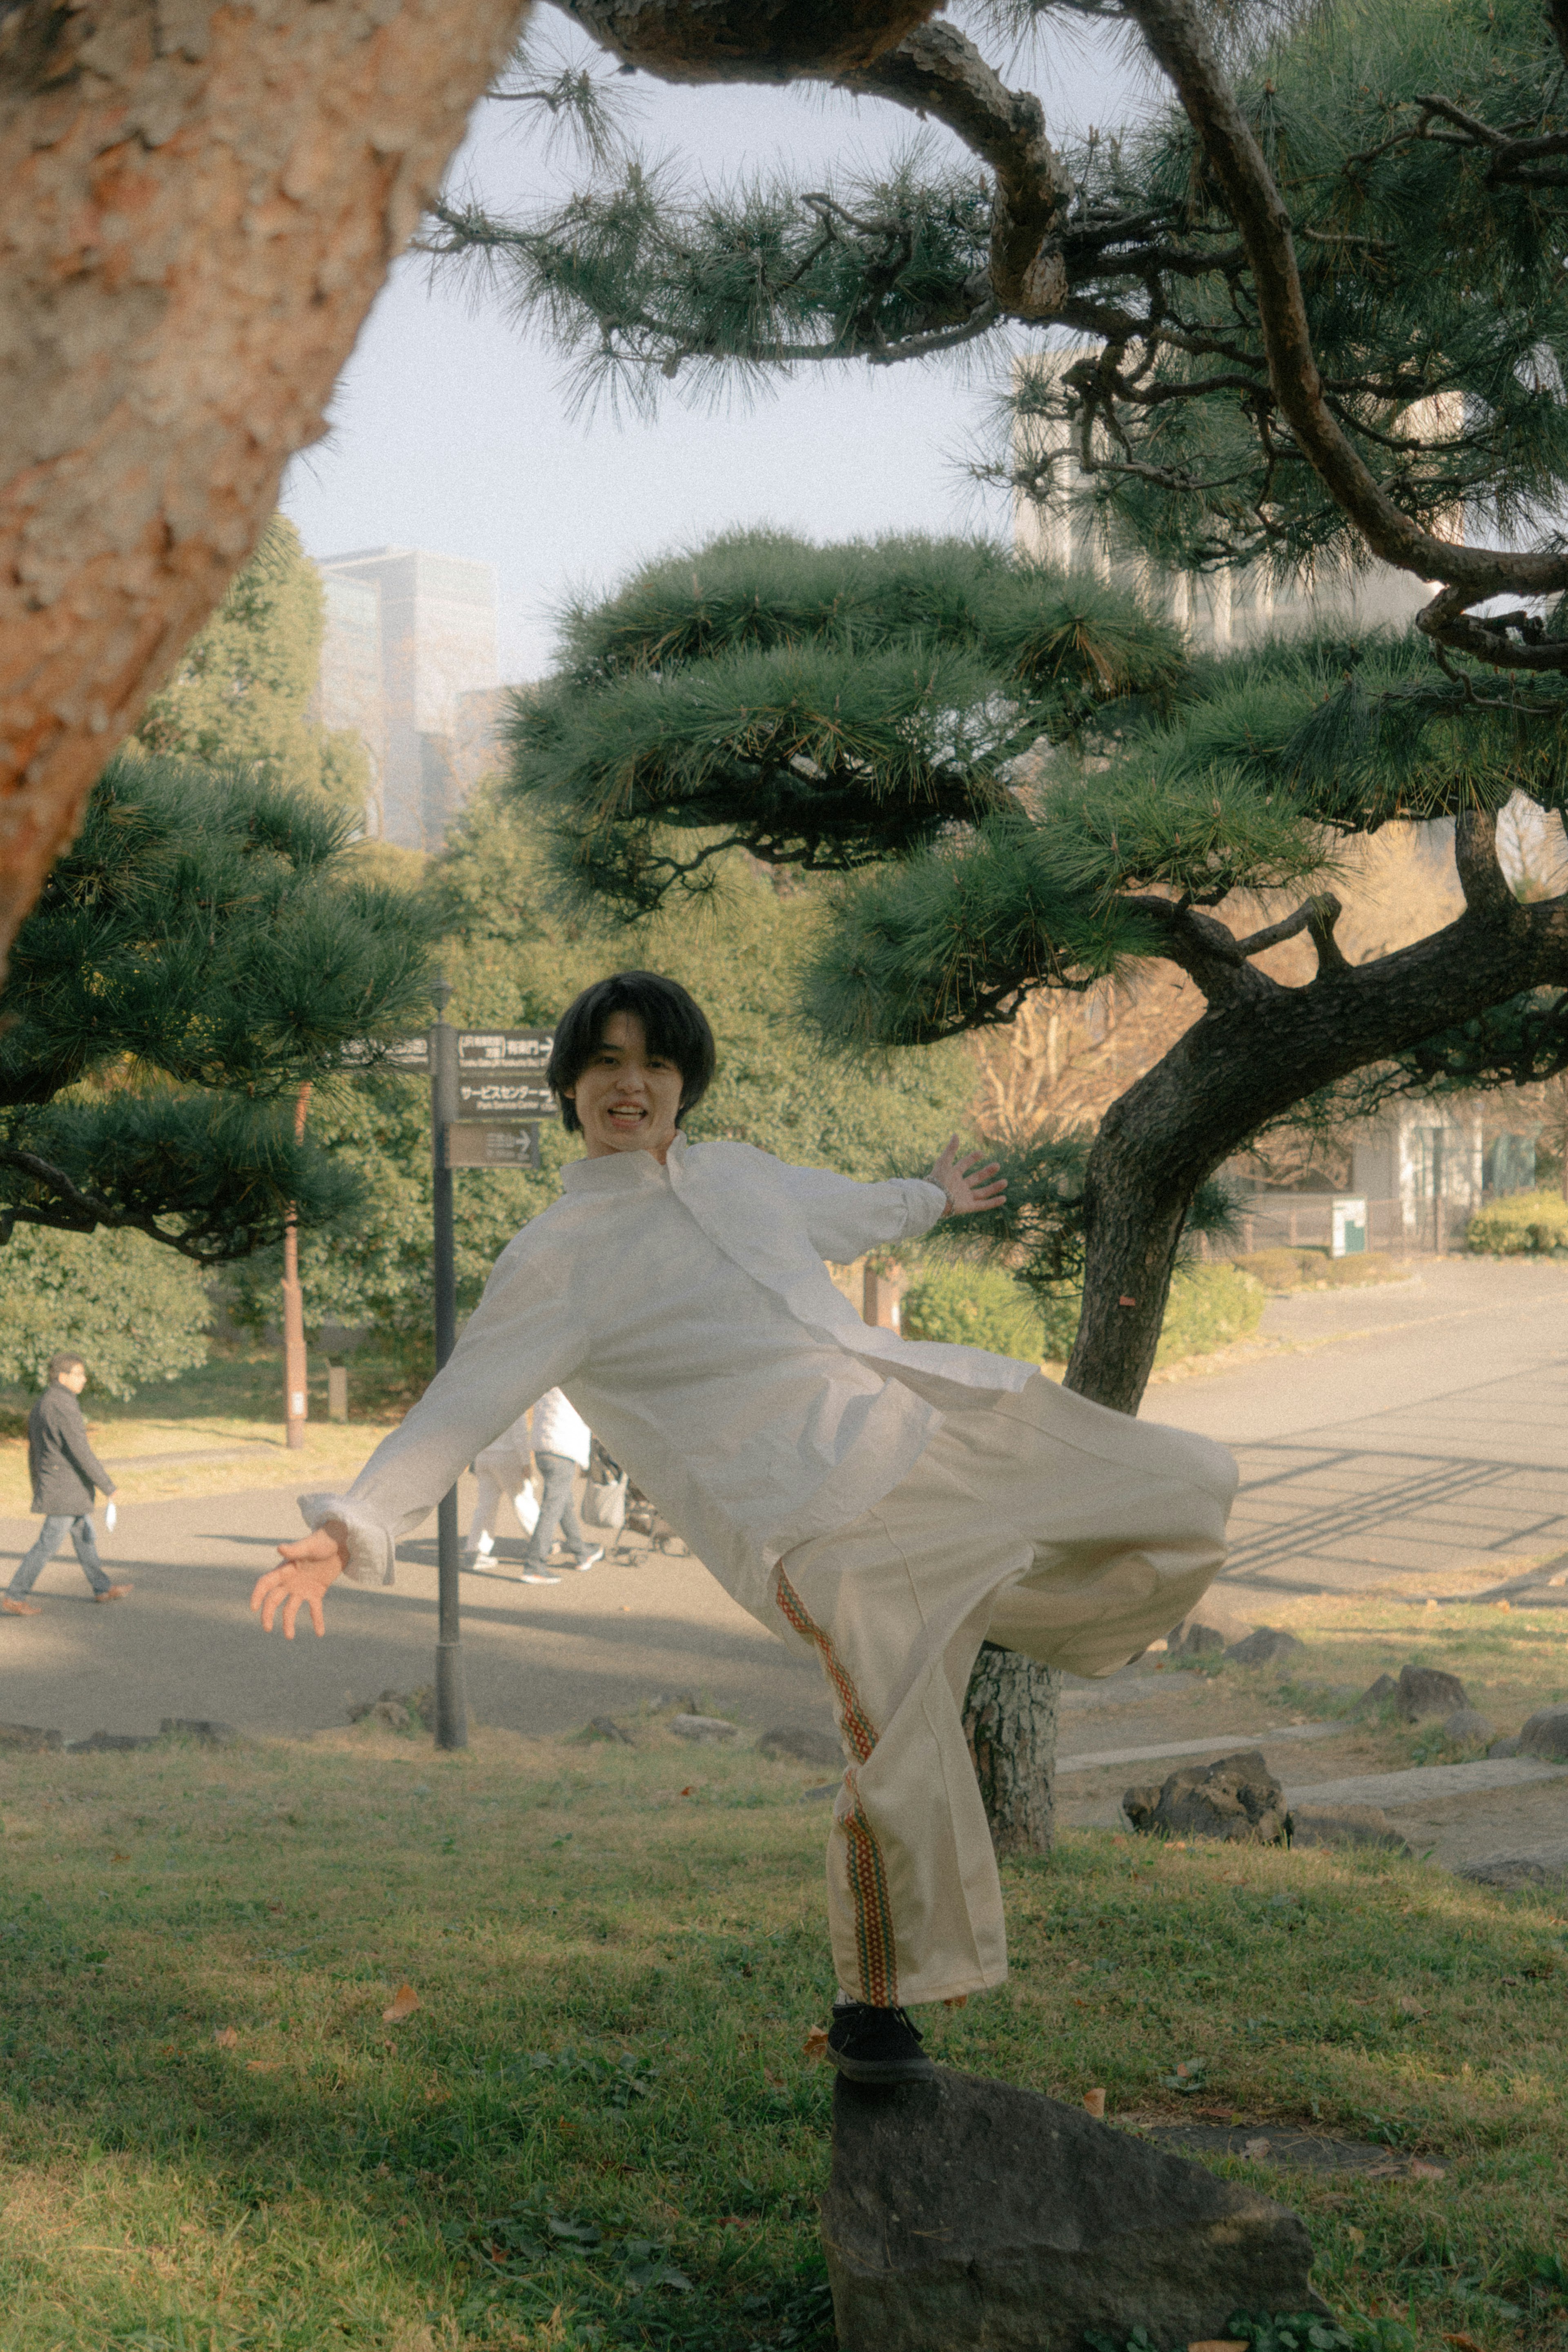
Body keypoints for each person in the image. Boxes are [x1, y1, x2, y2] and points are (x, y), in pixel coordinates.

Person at [256, 971, 1236, 2084]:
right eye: (609, 1062)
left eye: (657, 1063)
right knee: (899, 1756)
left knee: (1188, 1481)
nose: (633, 1084)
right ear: (572, 1084)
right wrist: (353, 1524)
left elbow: (846, 1207)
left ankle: (995, 1608)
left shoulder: (737, 1172)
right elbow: (464, 1397)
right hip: (815, 1526)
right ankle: (877, 2008)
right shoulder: (558, 1253)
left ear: (685, 1082)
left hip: (926, 1434)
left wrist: (931, 1194)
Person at [4, 1353, 133, 1614]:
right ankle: (15, 1596)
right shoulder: (63, 1405)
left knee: (85, 1537)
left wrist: (40, 1483)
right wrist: (107, 1486)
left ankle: (102, 1588)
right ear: (63, 1377)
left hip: (61, 1485)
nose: (84, 1379)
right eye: (79, 1374)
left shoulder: (46, 1401)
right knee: (48, 1544)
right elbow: (80, 1450)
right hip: (65, 1487)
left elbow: (36, 1452)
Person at [519, 1387, 603, 1584]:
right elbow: (590, 1415)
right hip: (562, 1450)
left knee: (563, 1503)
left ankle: (581, 1551)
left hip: (543, 1449)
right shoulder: (575, 1386)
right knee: (552, 1508)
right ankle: (534, 1566)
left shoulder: (550, 1382)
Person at [463, 1410, 536, 1564]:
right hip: (508, 1456)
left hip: (484, 1456)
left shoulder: (484, 1397)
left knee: (485, 1506)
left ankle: (475, 1551)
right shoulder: (516, 1398)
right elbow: (520, 1435)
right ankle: (541, 1542)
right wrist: (526, 1462)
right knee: (522, 1499)